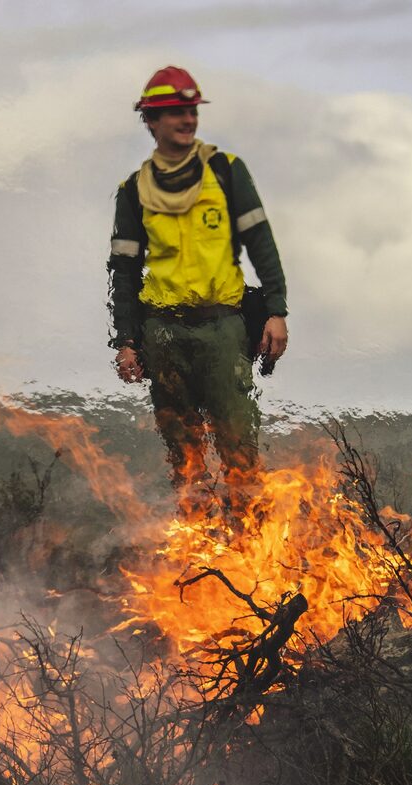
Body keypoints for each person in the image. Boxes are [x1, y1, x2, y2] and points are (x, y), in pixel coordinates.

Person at [105, 66, 289, 515]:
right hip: (162, 335)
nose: (187, 120)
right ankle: (197, 554)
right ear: (150, 120)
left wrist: (277, 310)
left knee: (239, 450)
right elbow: (124, 273)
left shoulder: (226, 173)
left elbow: (261, 243)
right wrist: (127, 341)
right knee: (184, 460)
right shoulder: (133, 192)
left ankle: (252, 552)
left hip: (222, 329)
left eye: (191, 110)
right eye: (174, 113)